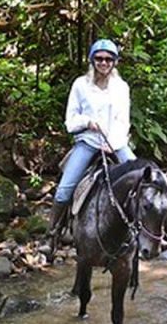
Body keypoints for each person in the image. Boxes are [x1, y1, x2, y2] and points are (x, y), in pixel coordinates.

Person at [48, 38, 136, 236]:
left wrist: (112, 144)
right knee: (64, 190)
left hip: (116, 143)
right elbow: (70, 120)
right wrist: (87, 122)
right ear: (92, 60)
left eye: (108, 59)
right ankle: (52, 234)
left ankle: (150, 233)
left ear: (114, 62)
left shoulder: (122, 87)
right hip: (88, 141)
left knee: (142, 179)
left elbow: (124, 121)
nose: (103, 63)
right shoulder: (80, 85)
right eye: (99, 59)